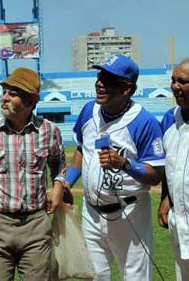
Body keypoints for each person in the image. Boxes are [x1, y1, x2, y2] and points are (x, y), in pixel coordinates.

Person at [57, 55, 165, 280]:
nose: (99, 82)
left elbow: (155, 175)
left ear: (127, 89)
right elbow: (80, 151)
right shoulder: (89, 111)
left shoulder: (144, 122)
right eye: (99, 76)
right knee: (95, 276)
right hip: (92, 211)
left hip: (129, 212)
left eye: (108, 78)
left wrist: (124, 163)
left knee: (136, 277)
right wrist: (68, 181)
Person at [0, 67, 67, 280]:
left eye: (12, 93)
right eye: (4, 92)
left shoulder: (49, 131)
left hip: (36, 225)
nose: (4, 98)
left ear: (30, 102)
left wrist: (57, 187)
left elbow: (58, 163)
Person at [158, 58, 189, 281]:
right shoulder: (170, 119)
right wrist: (165, 196)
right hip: (180, 221)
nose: (175, 86)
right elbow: (170, 166)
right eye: (173, 80)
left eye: (183, 81)